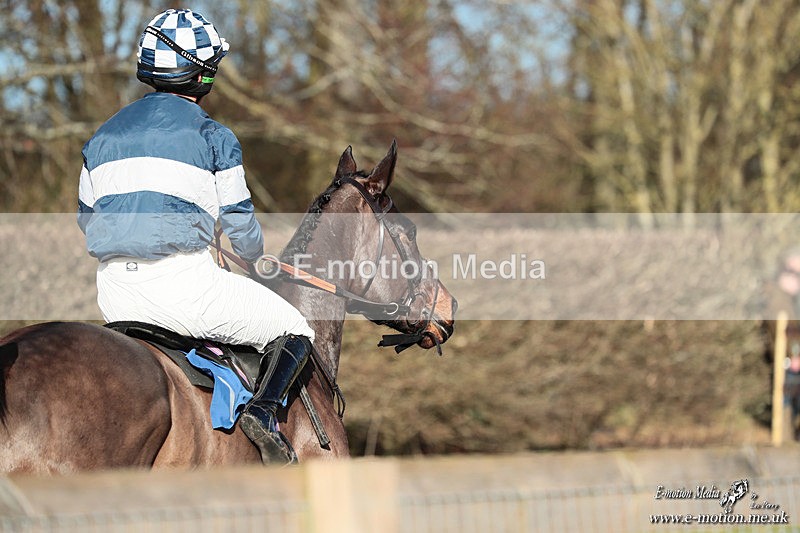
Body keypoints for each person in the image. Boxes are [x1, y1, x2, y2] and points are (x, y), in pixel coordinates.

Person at [76, 8, 315, 464]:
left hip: (115, 294)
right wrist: (253, 256)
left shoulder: (100, 137)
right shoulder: (215, 136)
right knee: (296, 328)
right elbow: (241, 229)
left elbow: (87, 220)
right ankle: (262, 416)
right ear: (203, 73)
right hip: (185, 289)